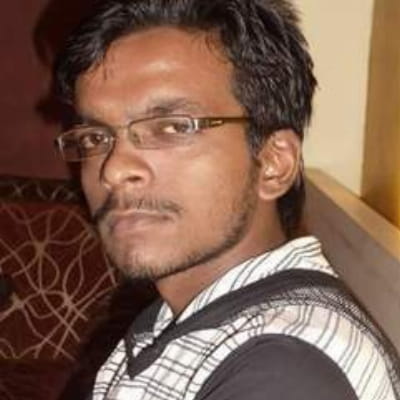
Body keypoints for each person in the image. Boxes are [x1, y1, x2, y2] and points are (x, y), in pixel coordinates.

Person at [53, 0, 400, 399]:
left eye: (172, 127)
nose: (113, 170)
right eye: (95, 137)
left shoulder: (286, 372)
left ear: (274, 163)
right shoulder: (187, 317)